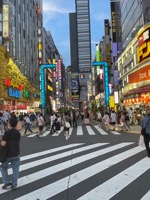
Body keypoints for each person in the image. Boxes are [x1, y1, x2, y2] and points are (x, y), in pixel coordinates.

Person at [0, 117, 21, 190]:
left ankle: (6, 182)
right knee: (15, 169)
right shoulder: (18, 133)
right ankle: (14, 184)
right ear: (16, 124)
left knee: (3, 167)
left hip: (7, 155)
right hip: (16, 153)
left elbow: (3, 144)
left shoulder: (7, 133)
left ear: (9, 124)